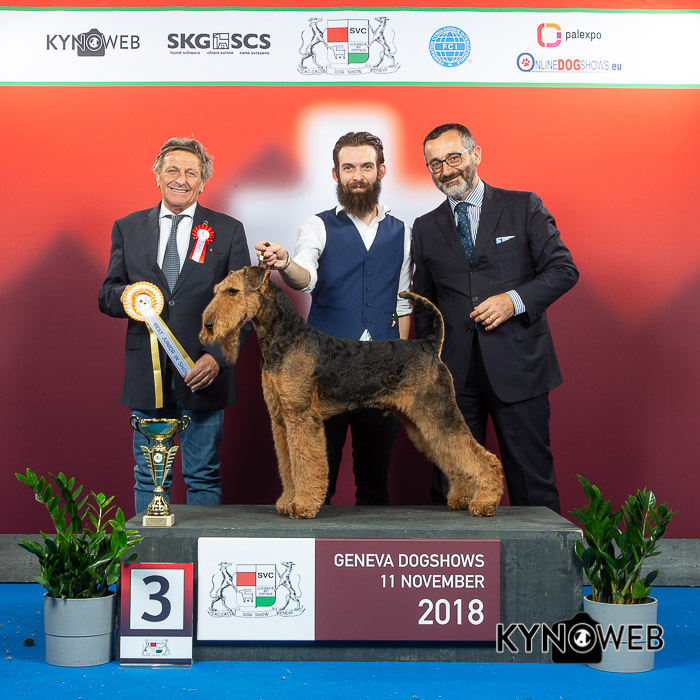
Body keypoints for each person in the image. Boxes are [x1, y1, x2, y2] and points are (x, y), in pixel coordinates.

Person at [412, 123, 579, 513]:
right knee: (455, 486)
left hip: (519, 369)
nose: (446, 170)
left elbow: (563, 270)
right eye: (435, 164)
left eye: (454, 157)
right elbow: (425, 306)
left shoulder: (523, 207)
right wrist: (426, 370)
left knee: (531, 483)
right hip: (453, 377)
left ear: (476, 154)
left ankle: (537, 556)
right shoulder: (425, 227)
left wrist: (513, 300)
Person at [255, 131, 412, 506]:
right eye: (348, 168)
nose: (357, 176)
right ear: (335, 174)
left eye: (366, 167)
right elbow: (305, 277)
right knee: (316, 488)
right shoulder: (317, 226)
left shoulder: (404, 232)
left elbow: (402, 302)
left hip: (382, 373)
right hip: (323, 374)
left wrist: (401, 364)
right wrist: (285, 263)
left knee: (375, 489)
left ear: (381, 171)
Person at [99, 137, 250, 514]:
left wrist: (216, 358)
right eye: (172, 170)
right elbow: (107, 294)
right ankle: (149, 548)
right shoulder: (127, 228)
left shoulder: (228, 230)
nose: (180, 179)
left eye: (191, 173)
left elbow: (244, 305)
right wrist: (130, 296)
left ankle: (201, 549)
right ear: (157, 176)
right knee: (148, 476)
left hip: (203, 371)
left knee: (203, 474)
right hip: (145, 373)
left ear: (203, 181)